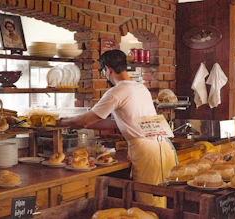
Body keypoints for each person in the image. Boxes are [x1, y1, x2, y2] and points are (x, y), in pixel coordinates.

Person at [57, 49, 177, 207]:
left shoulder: (116, 92)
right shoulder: (141, 88)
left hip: (147, 152)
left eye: (102, 71)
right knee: (165, 206)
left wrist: (61, 122)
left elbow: (85, 121)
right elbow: (113, 122)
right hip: (165, 148)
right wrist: (81, 122)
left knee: (149, 207)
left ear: (108, 69)